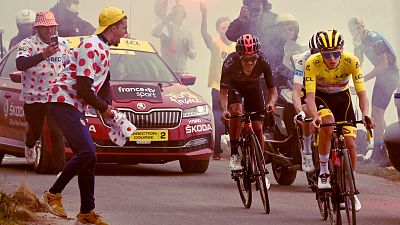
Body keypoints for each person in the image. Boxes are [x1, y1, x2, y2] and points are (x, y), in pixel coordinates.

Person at [40, 6, 127, 225]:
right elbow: (84, 89)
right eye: (124, 28)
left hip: (73, 105)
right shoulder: (90, 46)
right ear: (114, 27)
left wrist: (108, 108)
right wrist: (104, 108)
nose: (126, 32)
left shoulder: (103, 47)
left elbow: (104, 81)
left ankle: (87, 212)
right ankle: (52, 194)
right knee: (87, 151)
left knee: (90, 156)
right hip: (62, 102)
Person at [305, 29, 376, 212]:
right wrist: (314, 118)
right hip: (321, 98)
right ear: (320, 53)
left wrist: (366, 114)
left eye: (335, 53)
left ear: (341, 51)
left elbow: (362, 94)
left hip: (342, 98)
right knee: (327, 126)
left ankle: (349, 186)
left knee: (351, 143)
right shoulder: (312, 63)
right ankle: (323, 172)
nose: (331, 58)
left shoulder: (351, 61)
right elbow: (310, 98)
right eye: (327, 54)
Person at [15, 11, 67, 173]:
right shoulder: (27, 44)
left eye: (52, 27)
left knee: (56, 132)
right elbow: (20, 64)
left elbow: (69, 66)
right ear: (37, 28)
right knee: (35, 130)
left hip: (55, 95)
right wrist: (44, 55)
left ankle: (60, 172)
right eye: (45, 27)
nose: (49, 31)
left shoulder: (63, 44)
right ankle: (30, 144)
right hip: (34, 96)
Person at [220, 34, 277, 171]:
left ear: (257, 55)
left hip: (253, 89)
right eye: (246, 59)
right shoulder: (230, 62)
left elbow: (272, 90)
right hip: (235, 88)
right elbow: (223, 92)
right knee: (237, 110)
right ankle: (234, 153)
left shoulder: (264, 61)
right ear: (239, 56)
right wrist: (224, 110)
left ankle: (260, 162)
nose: (250, 62)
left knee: (257, 127)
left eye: (253, 58)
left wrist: (271, 103)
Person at [348, 17, 399, 167]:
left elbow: (383, 65)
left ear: (362, 26)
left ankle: (380, 151)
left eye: (357, 28)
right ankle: (382, 150)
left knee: (377, 113)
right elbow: (358, 63)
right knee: (378, 113)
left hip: (390, 75)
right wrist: (357, 48)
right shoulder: (361, 41)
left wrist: (362, 80)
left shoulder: (374, 39)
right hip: (384, 76)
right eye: (352, 29)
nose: (355, 31)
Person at [200, 1, 235, 160]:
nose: (226, 30)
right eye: (222, 27)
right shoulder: (215, 43)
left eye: (228, 27)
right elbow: (204, 34)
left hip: (235, 86)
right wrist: (204, 14)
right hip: (217, 86)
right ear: (217, 30)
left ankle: (236, 147)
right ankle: (217, 149)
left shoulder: (236, 45)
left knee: (236, 114)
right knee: (218, 115)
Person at [291, 31, 323, 172]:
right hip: (306, 88)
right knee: (306, 110)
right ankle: (307, 150)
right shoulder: (302, 60)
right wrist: (299, 112)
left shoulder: (333, 57)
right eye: (314, 53)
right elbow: (296, 91)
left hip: (323, 89)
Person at [152, 1, 196, 75]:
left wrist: (188, 50)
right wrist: (165, 20)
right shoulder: (166, 28)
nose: (178, 15)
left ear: (184, 15)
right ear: (172, 15)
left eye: (181, 13)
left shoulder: (187, 33)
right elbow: (154, 32)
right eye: (176, 13)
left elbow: (193, 54)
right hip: (167, 71)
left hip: (182, 71)